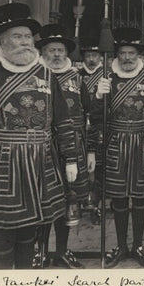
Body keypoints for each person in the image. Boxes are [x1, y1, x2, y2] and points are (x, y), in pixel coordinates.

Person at [0, 3, 78, 269]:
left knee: (30, 230)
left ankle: (23, 280)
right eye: (18, 37)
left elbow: (62, 120)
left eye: (28, 37)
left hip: (41, 161)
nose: (25, 43)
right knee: (4, 231)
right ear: (3, 41)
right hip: (4, 164)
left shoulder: (47, 75)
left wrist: (71, 157)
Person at [33, 23, 95, 268]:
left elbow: (92, 117)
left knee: (68, 200)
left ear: (67, 53)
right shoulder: (35, 76)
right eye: (51, 49)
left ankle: (62, 251)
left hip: (73, 148)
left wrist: (90, 150)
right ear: (43, 52)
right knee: (43, 200)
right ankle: (39, 252)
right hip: (42, 149)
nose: (57, 54)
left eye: (60, 50)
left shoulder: (78, 80)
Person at [94, 27, 144, 268]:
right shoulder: (108, 78)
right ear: (117, 54)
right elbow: (97, 118)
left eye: (131, 53)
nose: (127, 57)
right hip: (116, 143)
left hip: (143, 141)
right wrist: (99, 97)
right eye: (123, 53)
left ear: (138, 55)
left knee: (140, 197)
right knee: (118, 198)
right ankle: (121, 245)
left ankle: (138, 244)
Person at [78, 36, 105, 225]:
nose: (92, 59)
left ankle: (96, 204)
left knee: (99, 168)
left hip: (99, 127)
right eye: (89, 55)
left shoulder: (107, 76)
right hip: (79, 126)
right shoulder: (76, 75)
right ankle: (78, 202)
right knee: (80, 166)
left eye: (95, 55)